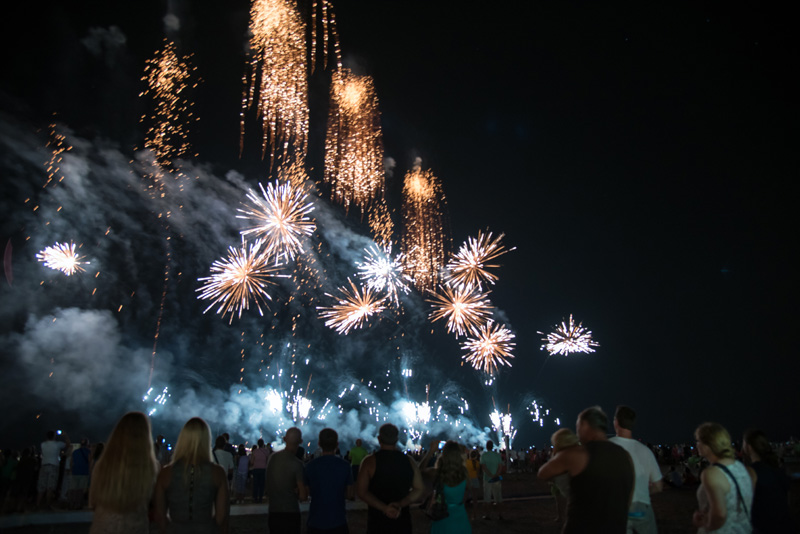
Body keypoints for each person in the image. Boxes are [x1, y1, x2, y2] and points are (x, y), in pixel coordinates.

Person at [538, 406, 634, 534]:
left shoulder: (578, 454)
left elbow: (543, 473)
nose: (577, 433)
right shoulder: (625, 455)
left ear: (584, 425)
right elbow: (629, 494)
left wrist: (559, 451)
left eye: (578, 426)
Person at [154, 417, 228, 534]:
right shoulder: (218, 473)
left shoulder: (166, 473)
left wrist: (169, 529)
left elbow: (159, 514)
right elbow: (221, 516)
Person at [88, 412, 159, 534]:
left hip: (103, 527)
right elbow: (155, 506)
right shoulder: (151, 469)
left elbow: (93, 503)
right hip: (135, 528)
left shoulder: (103, 465)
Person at [356, 423, 425, 534]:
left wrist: (385, 508)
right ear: (396, 439)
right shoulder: (409, 461)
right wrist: (400, 504)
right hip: (402, 521)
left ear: (379, 438)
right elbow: (419, 489)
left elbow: (361, 492)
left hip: (377, 522)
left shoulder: (369, 462)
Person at [692, 422, 755, 534]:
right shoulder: (740, 467)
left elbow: (720, 514)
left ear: (709, 444)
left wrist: (706, 525)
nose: (697, 445)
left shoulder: (712, 473)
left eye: (698, 441)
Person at [609, 405, 663, 534]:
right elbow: (658, 486)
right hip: (641, 506)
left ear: (616, 422)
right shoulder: (646, 451)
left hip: (617, 507)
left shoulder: (607, 447)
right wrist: (643, 490)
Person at [303, 428, 354, 534]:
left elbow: (305, 493)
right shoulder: (345, 466)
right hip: (338, 520)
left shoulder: (310, 466)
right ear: (337, 444)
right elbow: (350, 494)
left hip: (315, 521)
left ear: (319, 444)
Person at [743, 429, 792, 533]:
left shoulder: (750, 472)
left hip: (762, 528)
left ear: (749, 447)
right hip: (784, 527)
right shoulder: (779, 470)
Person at [265, 427, 307, 534]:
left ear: (284, 439)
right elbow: (303, 496)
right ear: (300, 441)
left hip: (273, 511)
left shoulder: (272, 458)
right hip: (291, 512)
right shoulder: (297, 464)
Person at [430, 440, 471, 534]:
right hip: (460, 516)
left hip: (442, 515)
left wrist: (430, 452)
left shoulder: (438, 473)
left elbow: (420, 470)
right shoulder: (464, 473)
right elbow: (466, 494)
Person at [545, 428, 580, 523]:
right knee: (558, 500)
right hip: (557, 480)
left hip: (563, 480)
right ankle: (560, 516)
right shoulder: (556, 453)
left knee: (565, 500)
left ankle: (566, 517)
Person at [36, 429, 70, 509]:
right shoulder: (58, 444)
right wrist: (65, 435)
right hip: (53, 466)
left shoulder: (43, 444)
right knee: (50, 487)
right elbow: (68, 445)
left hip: (44, 465)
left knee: (41, 487)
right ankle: (48, 505)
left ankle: (37, 504)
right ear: (54, 436)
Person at [480, 440, 504, 520]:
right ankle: (500, 514)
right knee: (498, 497)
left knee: (487, 498)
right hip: (497, 479)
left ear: (486, 446)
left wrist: (490, 475)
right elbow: (500, 466)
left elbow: (483, 467)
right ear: (493, 446)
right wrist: (496, 474)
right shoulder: (497, 455)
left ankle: (487, 515)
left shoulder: (484, 455)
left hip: (487, 479)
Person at [68, 438, 91, 510]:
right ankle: (78, 504)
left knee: (74, 489)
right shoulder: (89, 452)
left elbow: (71, 462)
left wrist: (71, 470)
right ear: (87, 444)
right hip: (84, 472)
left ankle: (72, 504)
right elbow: (90, 463)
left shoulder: (75, 452)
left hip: (75, 472)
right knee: (81, 490)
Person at [250, 438, 270, 503]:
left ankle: (255, 497)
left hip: (256, 469)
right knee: (262, 484)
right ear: (263, 444)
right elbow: (268, 461)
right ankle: (260, 497)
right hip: (263, 469)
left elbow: (252, 462)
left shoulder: (255, 451)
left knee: (255, 484)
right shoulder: (266, 451)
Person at [465, 449, 481, 520]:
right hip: (475, 480)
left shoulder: (467, 462)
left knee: (465, 498)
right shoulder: (477, 463)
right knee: (475, 499)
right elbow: (478, 473)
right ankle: (474, 515)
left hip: (468, 480)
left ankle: (464, 514)